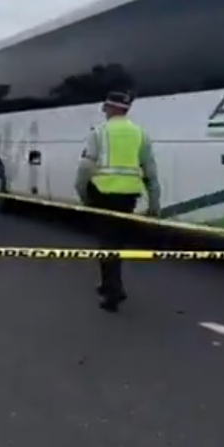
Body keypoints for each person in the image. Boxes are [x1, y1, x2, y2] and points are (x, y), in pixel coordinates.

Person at [75, 90, 161, 312]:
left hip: (102, 194)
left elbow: (86, 167)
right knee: (117, 242)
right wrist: (154, 202)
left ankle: (112, 291)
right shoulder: (141, 133)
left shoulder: (99, 132)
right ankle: (110, 285)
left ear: (110, 109)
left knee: (107, 243)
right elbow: (150, 170)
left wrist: (82, 193)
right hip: (129, 196)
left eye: (105, 108)